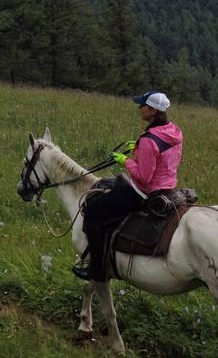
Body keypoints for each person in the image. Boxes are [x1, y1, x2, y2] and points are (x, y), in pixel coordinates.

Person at [71, 90, 184, 282]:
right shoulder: (173, 131)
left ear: (152, 110)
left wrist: (125, 160)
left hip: (143, 191)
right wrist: (138, 150)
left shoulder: (150, 140)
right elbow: (162, 158)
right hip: (168, 187)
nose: (139, 109)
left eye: (142, 105)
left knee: (92, 213)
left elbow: (144, 176)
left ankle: (97, 269)